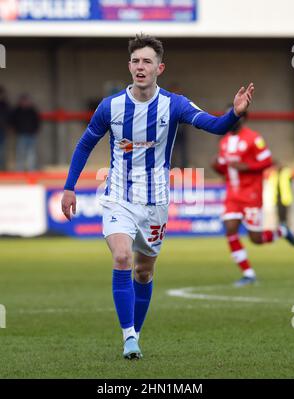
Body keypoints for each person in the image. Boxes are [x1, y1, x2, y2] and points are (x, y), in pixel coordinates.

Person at [61, 34, 255, 359]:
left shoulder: (174, 104)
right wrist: (69, 186)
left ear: (159, 68)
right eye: (136, 61)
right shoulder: (110, 106)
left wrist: (234, 114)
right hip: (118, 197)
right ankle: (128, 339)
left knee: (143, 272)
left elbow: (215, 125)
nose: (140, 66)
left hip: (155, 204)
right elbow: (84, 145)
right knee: (122, 258)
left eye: (147, 61)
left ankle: (135, 332)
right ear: (129, 66)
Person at [212, 111, 294, 287]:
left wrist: (247, 167)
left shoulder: (254, 138)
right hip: (232, 194)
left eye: (235, 116)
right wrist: (216, 166)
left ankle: (280, 231)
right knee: (230, 228)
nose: (232, 119)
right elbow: (224, 167)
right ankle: (248, 274)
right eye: (229, 116)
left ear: (243, 119)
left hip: (251, 193)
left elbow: (267, 161)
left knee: (256, 239)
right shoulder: (225, 141)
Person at [11, 93, 41, 171]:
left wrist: (35, 130)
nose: (25, 102)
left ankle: (31, 171)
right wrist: (16, 130)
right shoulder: (17, 111)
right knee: (20, 153)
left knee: (31, 154)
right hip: (21, 135)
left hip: (31, 135)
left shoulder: (32, 110)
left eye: (26, 101)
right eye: (23, 101)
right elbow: (13, 121)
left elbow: (37, 121)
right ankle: (19, 171)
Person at [0, 86, 10, 170]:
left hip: (2, 130)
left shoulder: (5, 105)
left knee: (1, 150)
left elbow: (9, 117)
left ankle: (1, 168)